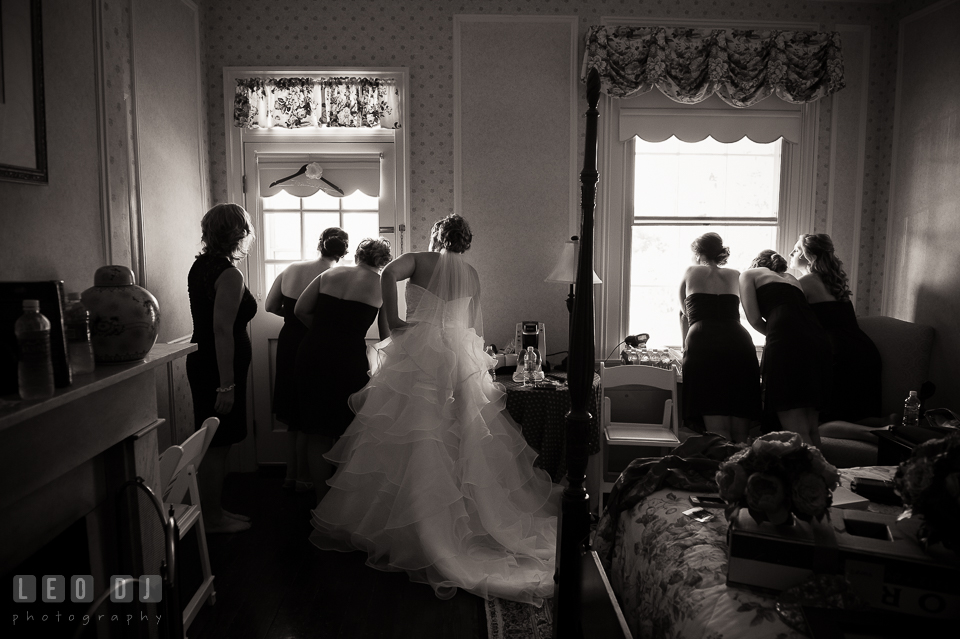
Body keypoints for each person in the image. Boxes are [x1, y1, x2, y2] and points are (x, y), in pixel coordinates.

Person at [310, 214, 560, 606]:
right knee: (459, 434)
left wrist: (391, 321)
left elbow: (387, 274)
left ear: (436, 236)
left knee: (413, 430)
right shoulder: (472, 274)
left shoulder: (417, 259)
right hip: (457, 353)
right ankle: (460, 518)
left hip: (420, 349)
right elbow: (472, 322)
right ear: (466, 242)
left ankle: (413, 525)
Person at [293, 237, 391, 504]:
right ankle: (345, 501)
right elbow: (385, 334)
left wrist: (325, 332)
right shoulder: (382, 285)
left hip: (312, 353)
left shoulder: (330, 273)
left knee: (316, 430)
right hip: (347, 359)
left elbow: (300, 309)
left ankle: (322, 500)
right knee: (349, 428)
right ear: (383, 261)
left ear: (358, 255)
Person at [186, 203, 258, 534]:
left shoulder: (201, 266)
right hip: (217, 368)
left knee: (215, 439)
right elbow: (221, 330)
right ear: (238, 232)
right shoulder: (228, 273)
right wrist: (226, 385)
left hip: (206, 361)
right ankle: (212, 519)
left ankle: (214, 511)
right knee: (216, 442)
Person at [265, 227, 349, 492]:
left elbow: (269, 306)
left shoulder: (291, 269)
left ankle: (291, 474)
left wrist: (291, 317)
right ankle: (307, 478)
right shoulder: (337, 275)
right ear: (344, 250)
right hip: (317, 344)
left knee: (293, 413)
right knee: (311, 415)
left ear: (319, 245)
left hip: (289, 341)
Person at [740, 249, 831, 446]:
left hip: (786, 339)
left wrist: (775, 335)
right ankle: (824, 474)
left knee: (795, 427)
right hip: (817, 337)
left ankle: (807, 474)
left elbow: (754, 319)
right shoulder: (792, 278)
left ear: (756, 262)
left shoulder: (749, 274)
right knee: (811, 426)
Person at [789, 234, 882, 423]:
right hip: (863, 350)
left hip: (839, 355)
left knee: (823, 422)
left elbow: (792, 323)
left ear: (809, 256)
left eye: (797, 249)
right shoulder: (834, 281)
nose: (791, 253)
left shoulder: (804, 283)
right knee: (855, 415)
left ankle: (879, 432)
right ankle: (884, 425)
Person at [679, 233, 761, 442]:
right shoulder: (736, 274)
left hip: (703, 339)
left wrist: (684, 347)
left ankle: (720, 472)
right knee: (741, 431)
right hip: (738, 340)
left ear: (697, 253)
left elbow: (685, 313)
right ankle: (740, 471)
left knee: (717, 430)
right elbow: (751, 308)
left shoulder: (690, 271)